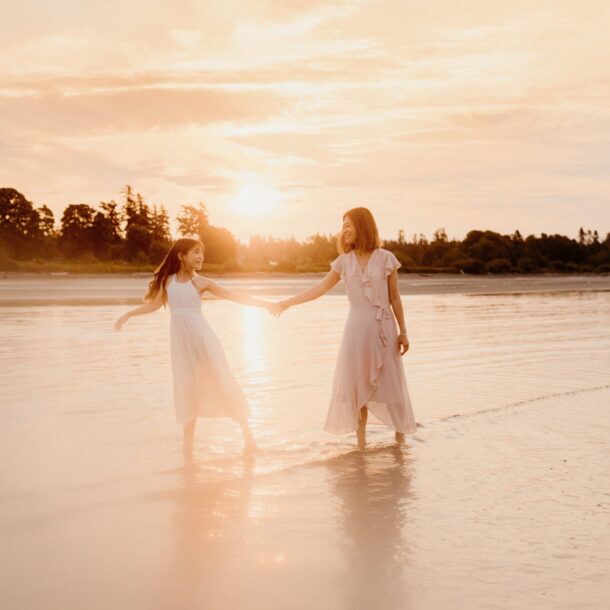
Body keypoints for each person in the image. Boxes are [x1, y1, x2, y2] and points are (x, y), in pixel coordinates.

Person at [115, 238, 278, 455]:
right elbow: (154, 305)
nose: (201, 257)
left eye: (202, 253)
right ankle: (188, 449)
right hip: (182, 345)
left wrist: (265, 304)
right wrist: (129, 314)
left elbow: (234, 296)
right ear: (181, 256)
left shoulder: (201, 283)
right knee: (186, 387)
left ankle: (249, 440)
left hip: (204, 340)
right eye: (196, 252)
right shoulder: (168, 281)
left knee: (222, 381)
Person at [277, 207, 416, 447]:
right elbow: (319, 289)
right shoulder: (344, 262)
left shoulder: (386, 258)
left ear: (363, 227)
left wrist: (403, 332)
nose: (344, 230)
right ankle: (361, 444)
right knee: (358, 384)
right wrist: (287, 303)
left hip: (383, 330)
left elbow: (394, 297)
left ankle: (399, 441)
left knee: (391, 385)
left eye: (348, 225)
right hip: (356, 332)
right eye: (343, 226)